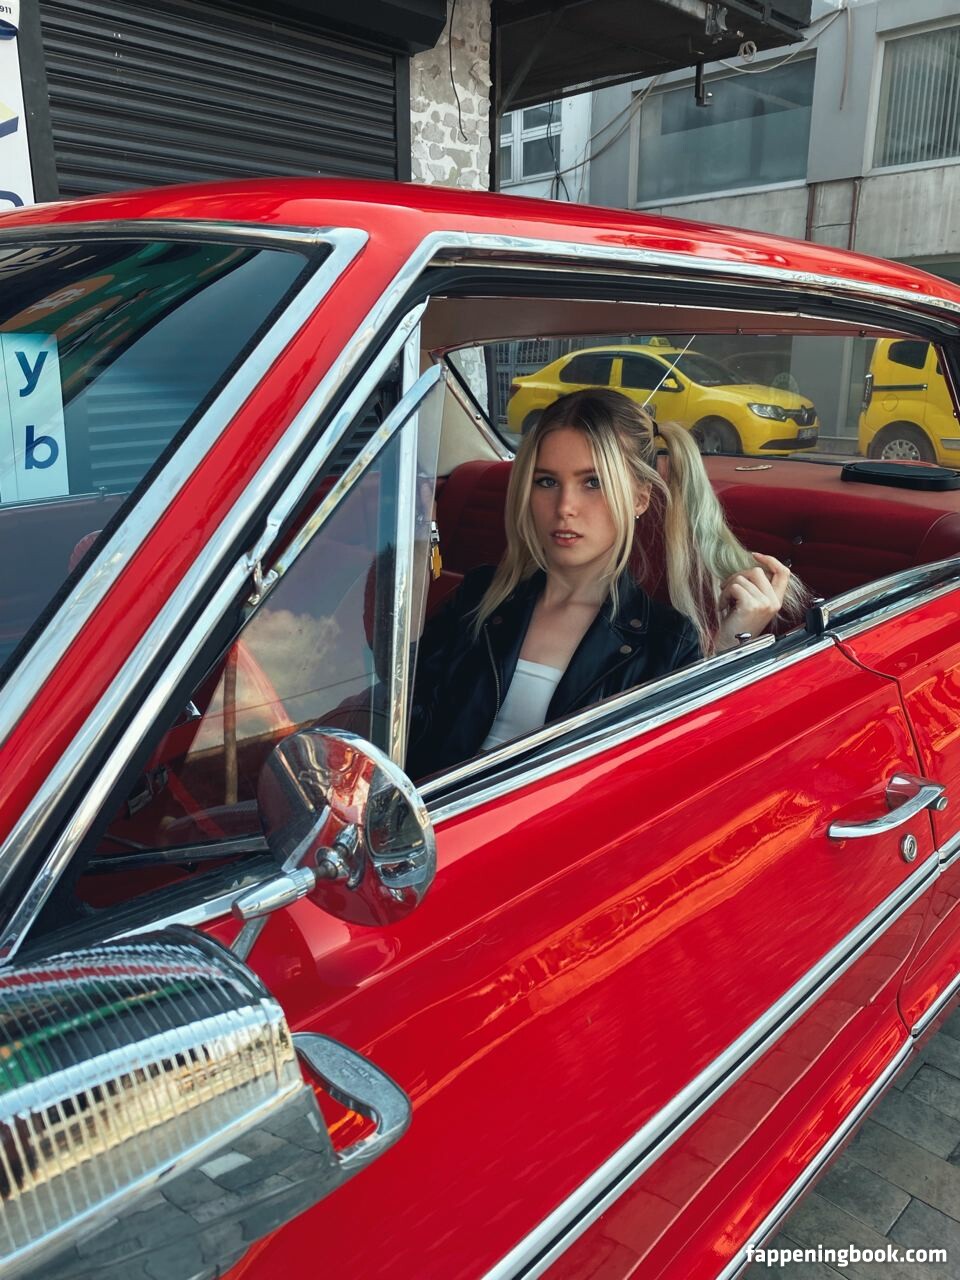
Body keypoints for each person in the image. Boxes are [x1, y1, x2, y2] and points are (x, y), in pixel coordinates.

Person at [405, 388, 801, 779]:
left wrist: (731, 647)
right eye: (547, 482)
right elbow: (405, 713)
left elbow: (669, 775)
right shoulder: (481, 595)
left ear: (640, 499)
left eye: (593, 482)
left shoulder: (666, 641)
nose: (565, 507)